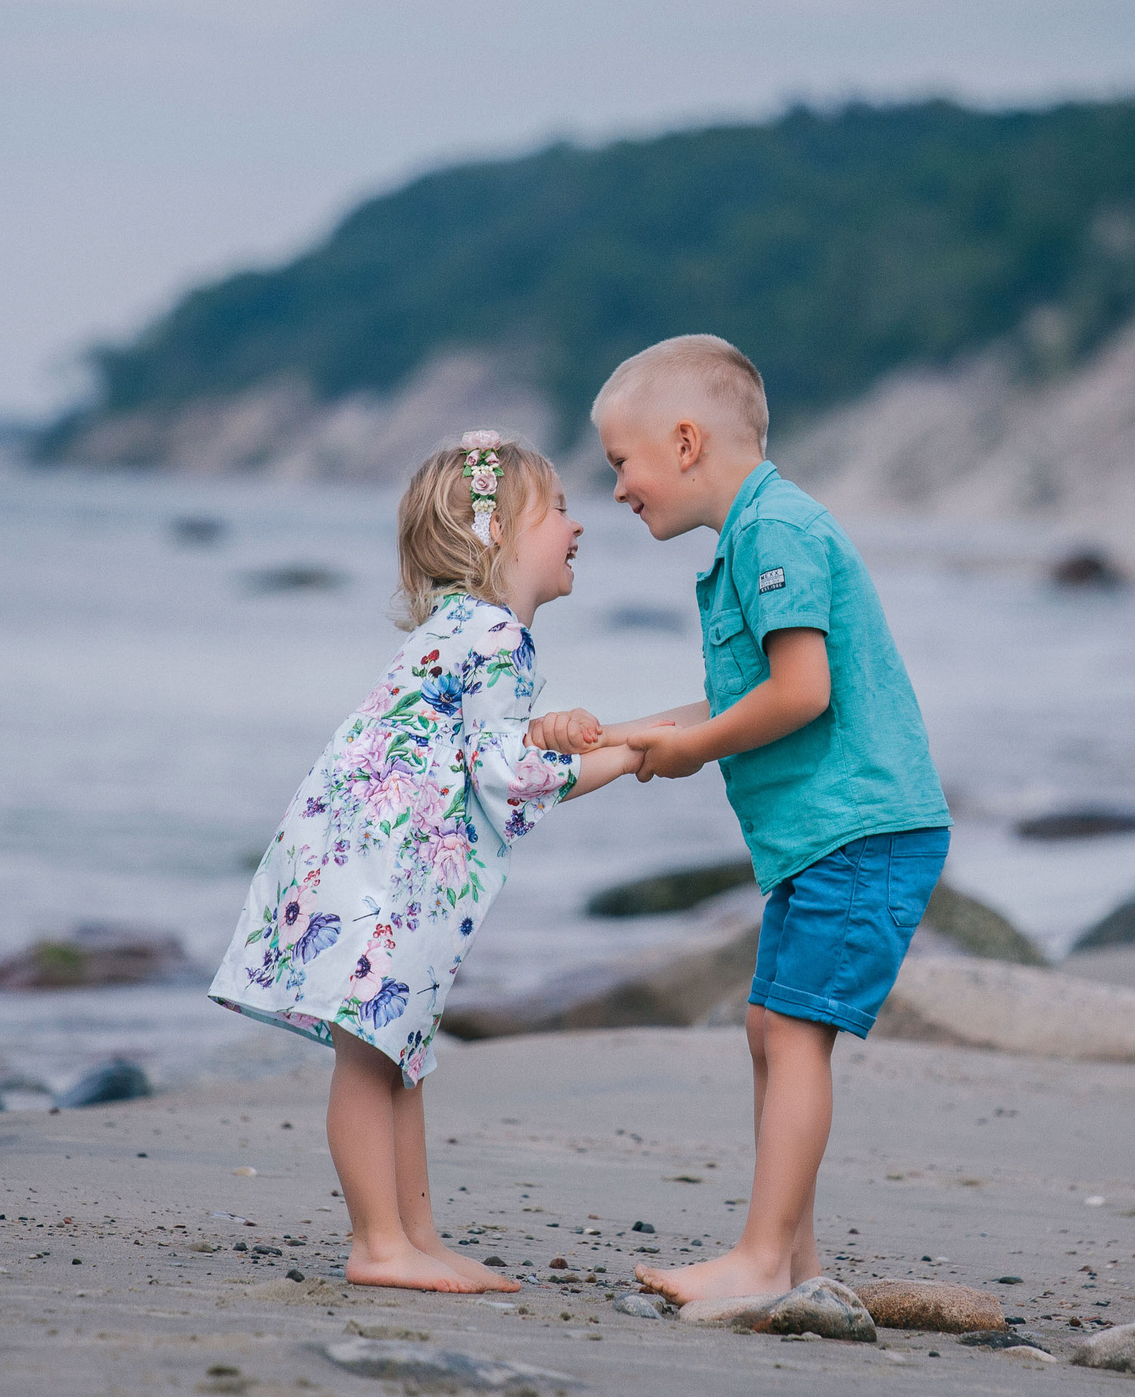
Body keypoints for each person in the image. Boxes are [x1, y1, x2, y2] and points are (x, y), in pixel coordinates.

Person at [530, 335, 951, 1305]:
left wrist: (692, 751)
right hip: (823, 836)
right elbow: (729, 702)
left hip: (862, 829)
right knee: (770, 1025)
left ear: (685, 443)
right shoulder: (747, 543)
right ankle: (796, 1265)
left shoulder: (777, 532)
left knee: (794, 1031)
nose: (617, 490)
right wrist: (618, 735)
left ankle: (760, 1261)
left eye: (621, 463)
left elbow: (801, 693)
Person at [206, 432, 649, 1293]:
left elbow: (487, 743)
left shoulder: (465, 627)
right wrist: (629, 757)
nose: (577, 525)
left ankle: (415, 1236)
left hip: (368, 859)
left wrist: (571, 732)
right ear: (499, 534)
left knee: (397, 1050)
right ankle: (379, 1245)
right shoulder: (497, 635)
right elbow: (508, 775)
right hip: (383, 873)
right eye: (558, 510)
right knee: (371, 1057)